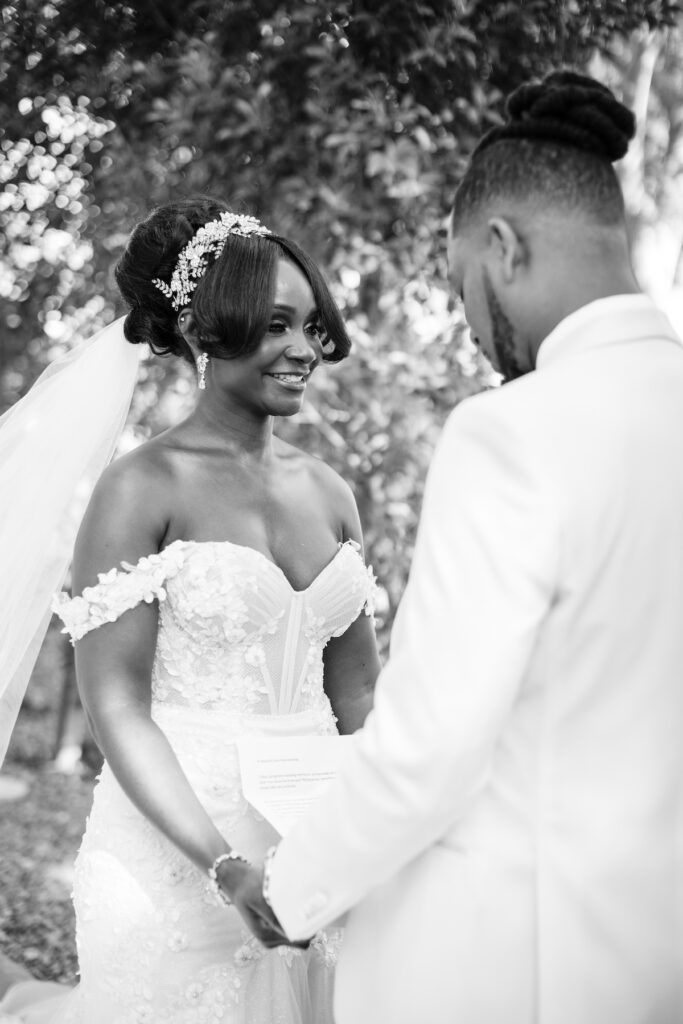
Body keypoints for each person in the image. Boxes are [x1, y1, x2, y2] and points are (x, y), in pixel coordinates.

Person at [234, 71, 683, 1024]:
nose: (478, 337)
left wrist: (292, 889)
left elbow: (428, 749)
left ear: (503, 247)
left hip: (504, 964)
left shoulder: (513, 433)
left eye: (462, 291)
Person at [0, 198, 380, 1023]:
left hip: (316, 854)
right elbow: (118, 708)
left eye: (310, 326)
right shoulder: (141, 488)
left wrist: (372, 834)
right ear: (209, 332)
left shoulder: (331, 493)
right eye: (275, 324)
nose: (301, 350)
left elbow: (357, 700)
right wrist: (224, 866)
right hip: (177, 864)